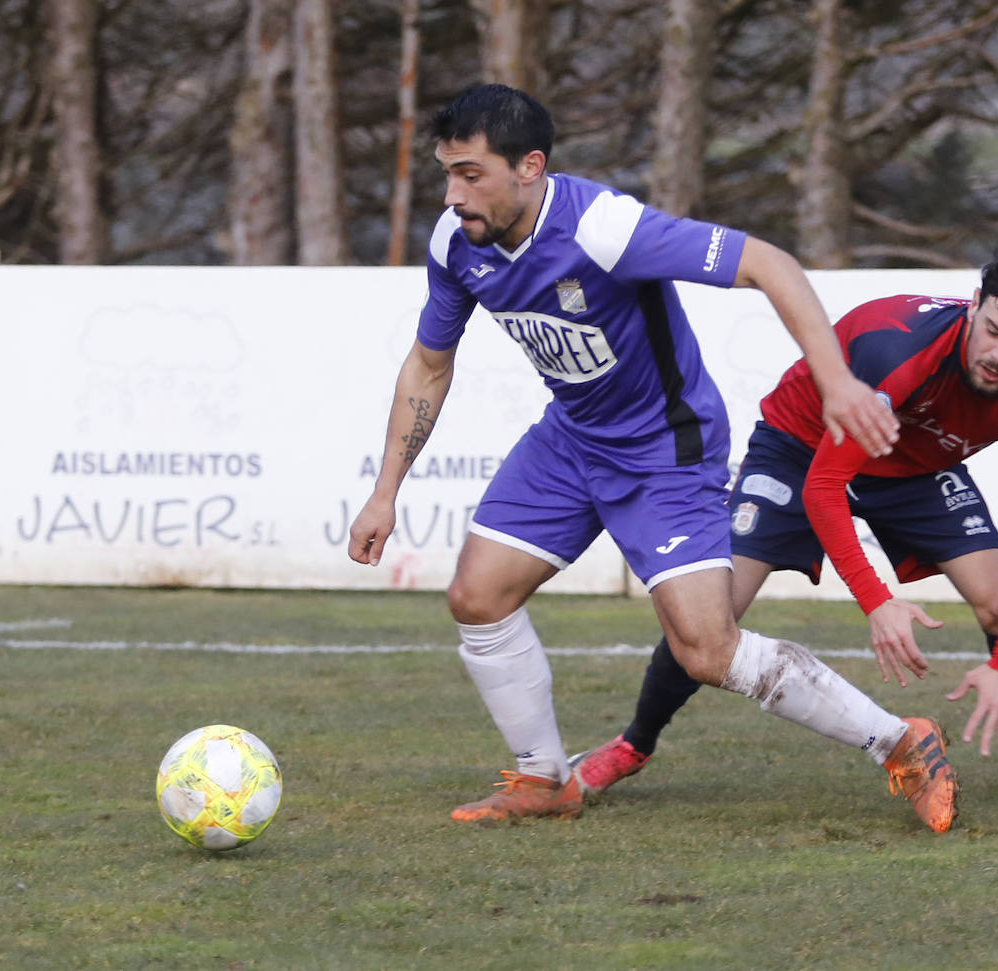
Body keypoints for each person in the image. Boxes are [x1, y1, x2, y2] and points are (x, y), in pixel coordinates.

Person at [347, 84, 959, 832]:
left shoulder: (604, 228)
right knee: (476, 596)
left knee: (706, 648)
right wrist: (386, 490)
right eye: (447, 173)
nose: (453, 195)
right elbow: (429, 365)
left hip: (665, 447)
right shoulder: (456, 242)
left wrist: (835, 382)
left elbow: (770, 263)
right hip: (570, 439)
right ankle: (546, 778)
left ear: (530, 167)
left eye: (471, 174)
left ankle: (903, 740)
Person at [572, 238, 998, 803]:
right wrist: (876, 600)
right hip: (801, 450)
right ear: (973, 302)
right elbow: (824, 487)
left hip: (913, 467)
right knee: (712, 615)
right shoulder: (898, 349)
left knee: (997, 599)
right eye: (993, 330)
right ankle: (632, 746)